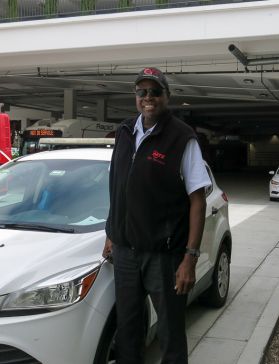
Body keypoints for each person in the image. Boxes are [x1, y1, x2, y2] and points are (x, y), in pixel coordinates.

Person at [102, 67, 211, 364]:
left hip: (164, 257)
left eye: (155, 91)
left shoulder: (182, 137)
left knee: (170, 332)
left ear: (167, 96)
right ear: (135, 96)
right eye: (142, 92)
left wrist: (190, 258)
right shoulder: (124, 132)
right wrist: (112, 232)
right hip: (125, 253)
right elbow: (118, 187)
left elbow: (197, 200)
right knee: (128, 329)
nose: (148, 97)